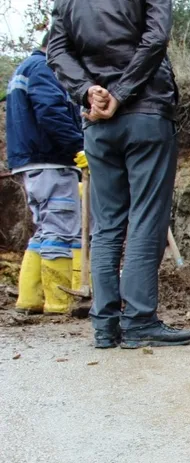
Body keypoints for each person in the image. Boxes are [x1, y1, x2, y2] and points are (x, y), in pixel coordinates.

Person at [47, 0, 190, 349]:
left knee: (106, 223)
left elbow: (57, 51)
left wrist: (87, 91)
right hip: (145, 113)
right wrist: (122, 92)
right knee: (146, 216)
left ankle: (105, 324)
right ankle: (140, 320)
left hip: (97, 124)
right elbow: (155, 38)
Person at [5, 32, 84, 315]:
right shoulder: (45, 68)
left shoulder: (27, 67)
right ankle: (59, 302)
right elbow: (51, 112)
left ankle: (30, 299)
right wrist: (80, 146)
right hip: (51, 160)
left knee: (45, 229)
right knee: (61, 229)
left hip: (34, 162)